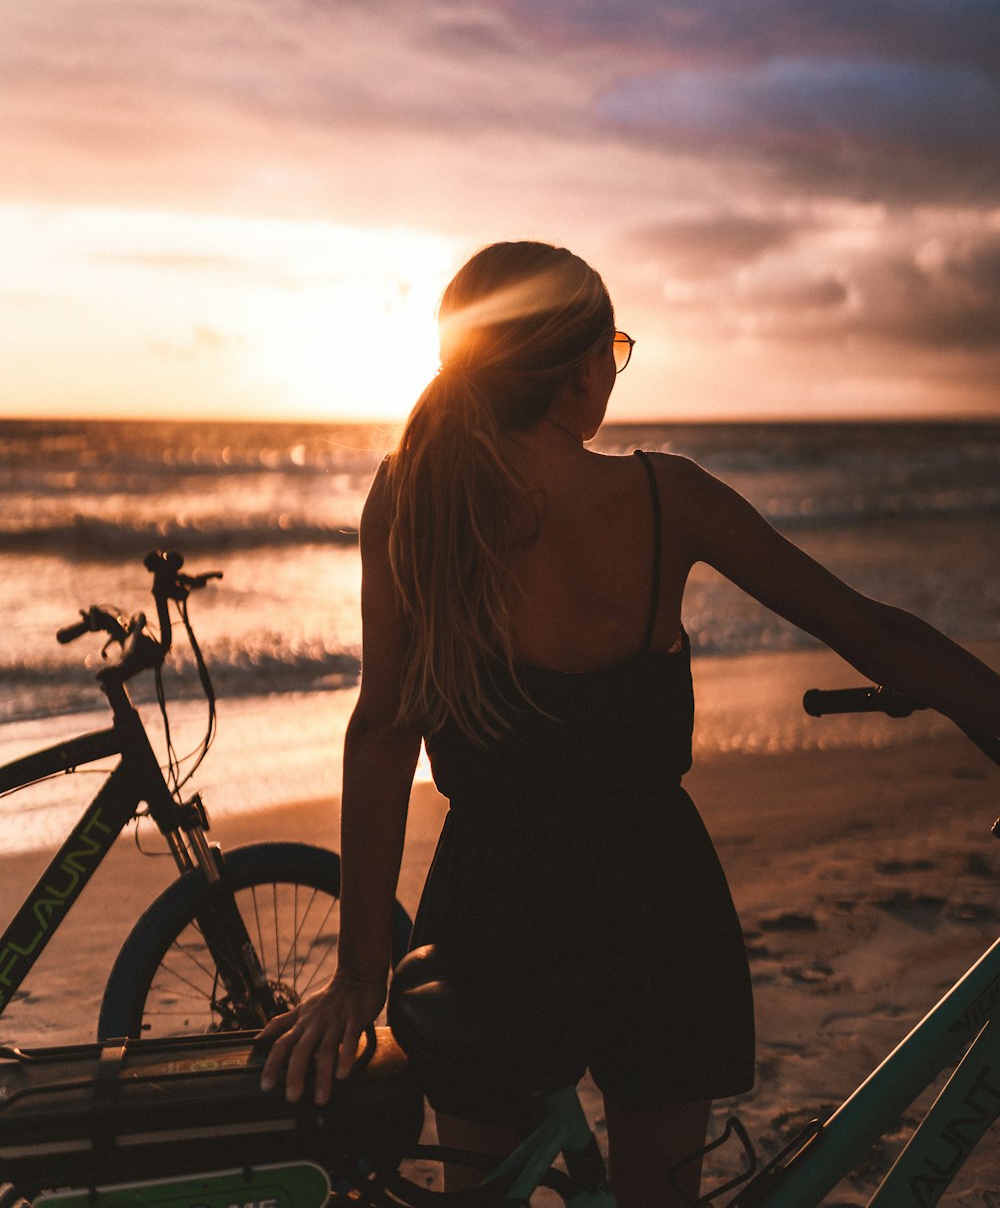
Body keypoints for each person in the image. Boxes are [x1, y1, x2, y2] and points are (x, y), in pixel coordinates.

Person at [259, 241, 1000, 1208]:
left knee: (490, 1196)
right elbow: (870, 630)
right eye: (612, 346)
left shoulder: (411, 497)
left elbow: (383, 731)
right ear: (576, 374)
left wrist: (362, 974)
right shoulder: (664, 496)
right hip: (657, 907)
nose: (615, 365)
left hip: (492, 910)